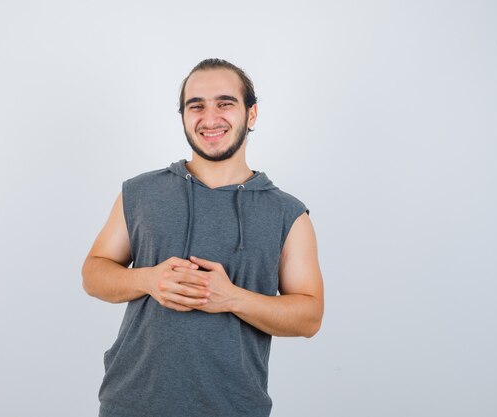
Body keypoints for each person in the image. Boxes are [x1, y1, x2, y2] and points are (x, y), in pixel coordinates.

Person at [82, 58, 324, 417]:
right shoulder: (140, 193)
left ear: (251, 114)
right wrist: (148, 278)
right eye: (196, 106)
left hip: (233, 408)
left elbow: (309, 316)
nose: (210, 119)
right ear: (183, 116)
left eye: (225, 103)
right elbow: (93, 273)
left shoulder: (288, 214)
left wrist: (232, 298)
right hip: (130, 404)